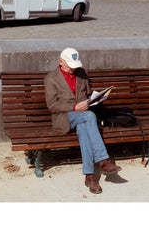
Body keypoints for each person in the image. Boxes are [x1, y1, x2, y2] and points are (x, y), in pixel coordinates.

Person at [44, 48, 121, 194]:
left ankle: (89, 176)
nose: (73, 69)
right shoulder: (51, 78)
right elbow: (52, 105)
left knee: (83, 128)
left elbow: (87, 94)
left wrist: (97, 98)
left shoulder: (81, 73)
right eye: (70, 66)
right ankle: (103, 160)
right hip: (64, 117)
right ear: (61, 62)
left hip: (83, 118)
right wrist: (74, 107)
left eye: (75, 66)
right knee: (89, 117)